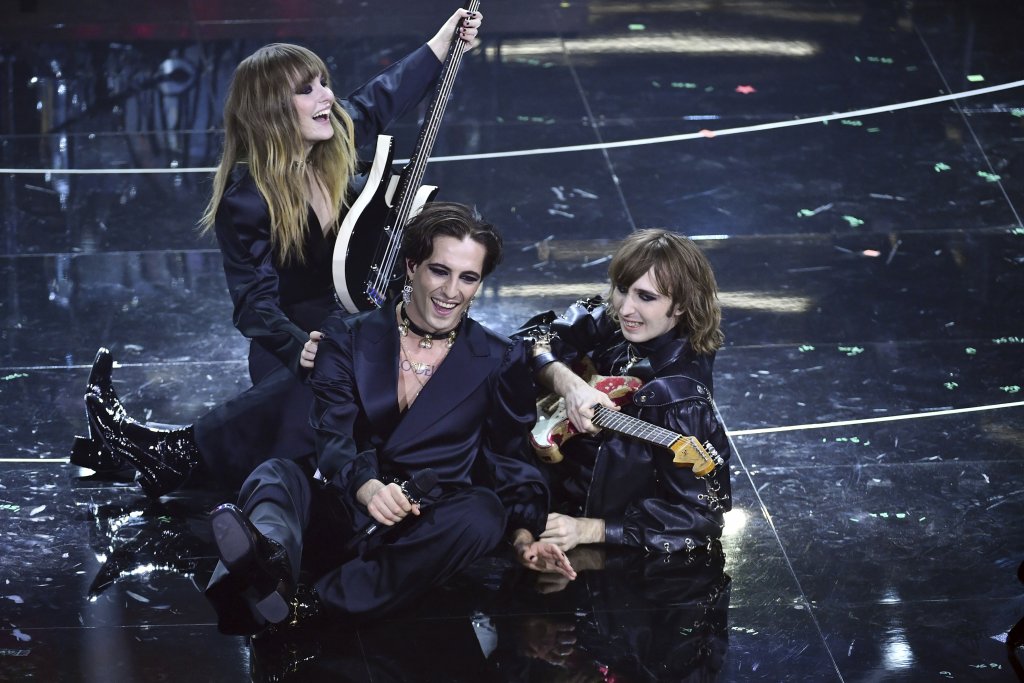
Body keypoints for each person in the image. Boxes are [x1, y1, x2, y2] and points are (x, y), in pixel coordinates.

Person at [75, 8, 484, 496]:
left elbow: (381, 97)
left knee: (371, 371)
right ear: (271, 111)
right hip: (294, 343)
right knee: (331, 378)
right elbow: (254, 305)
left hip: (358, 327)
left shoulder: (337, 139)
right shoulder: (246, 200)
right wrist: (298, 346)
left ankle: (156, 454)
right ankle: (172, 453)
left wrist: (442, 43)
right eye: (307, 90)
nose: (326, 96)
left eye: (323, 83)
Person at [204, 202, 575, 635]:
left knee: (482, 513)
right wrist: (366, 486)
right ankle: (268, 566)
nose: (451, 291)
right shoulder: (347, 335)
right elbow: (333, 432)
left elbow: (509, 460)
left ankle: (310, 602)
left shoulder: (498, 357)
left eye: (468, 277)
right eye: (440, 271)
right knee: (275, 476)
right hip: (342, 504)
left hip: (419, 531)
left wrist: (524, 538)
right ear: (412, 266)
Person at [519, 229, 733, 554]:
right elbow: (529, 339)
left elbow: (701, 519)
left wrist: (590, 529)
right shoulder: (618, 323)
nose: (625, 308)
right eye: (622, 289)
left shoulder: (678, 399)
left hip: (590, 510)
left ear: (680, 305)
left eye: (646, 297)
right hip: (552, 472)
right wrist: (571, 386)